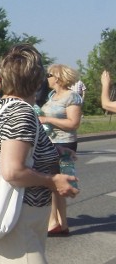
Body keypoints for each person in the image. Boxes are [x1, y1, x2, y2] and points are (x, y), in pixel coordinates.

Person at [0, 44, 78, 263]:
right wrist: (53, 181)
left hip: (6, 212)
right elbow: (12, 171)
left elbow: (6, 150)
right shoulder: (22, 113)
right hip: (17, 217)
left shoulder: (4, 106)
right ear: (38, 78)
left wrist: (51, 151)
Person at [39, 64, 82, 236]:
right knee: (56, 186)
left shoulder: (72, 96)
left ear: (57, 77)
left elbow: (73, 123)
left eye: (48, 75)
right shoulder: (52, 95)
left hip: (65, 144)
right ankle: (62, 224)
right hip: (50, 143)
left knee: (52, 183)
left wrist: (47, 119)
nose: (46, 78)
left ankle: (53, 222)